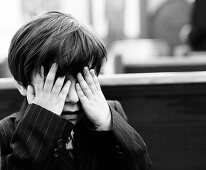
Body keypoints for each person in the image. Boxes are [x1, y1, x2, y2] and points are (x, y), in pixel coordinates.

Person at [0, 11, 151, 170]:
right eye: (56, 84)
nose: (72, 97)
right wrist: (42, 123)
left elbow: (140, 166)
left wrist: (105, 123)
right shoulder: (5, 132)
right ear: (22, 85)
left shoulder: (110, 114)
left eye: (81, 80)